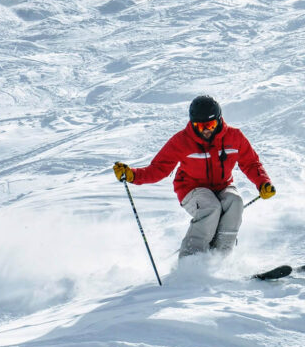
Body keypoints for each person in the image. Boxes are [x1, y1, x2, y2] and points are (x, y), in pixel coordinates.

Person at [113, 95, 275, 258]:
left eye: (210, 125)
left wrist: (263, 183)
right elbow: (158, 168)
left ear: (219, 121)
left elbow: (251, 163)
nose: (205, 130)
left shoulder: (234, 137)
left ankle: (221, 256)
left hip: (223, 186)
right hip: (191, 189)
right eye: (199, 126)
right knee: (210, 207)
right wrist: (132, 175)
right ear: (192, 123)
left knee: (235, 202)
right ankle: (190, 259)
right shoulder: (181, 141)